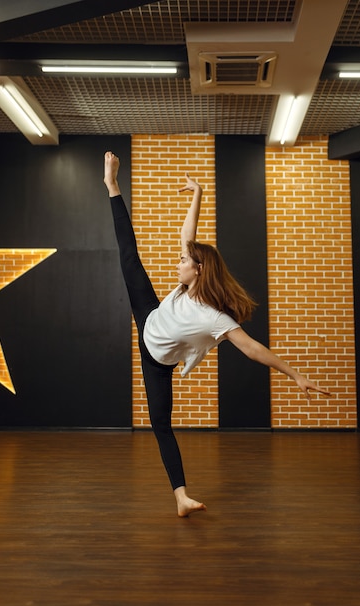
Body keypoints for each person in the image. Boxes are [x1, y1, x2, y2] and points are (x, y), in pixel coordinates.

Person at [103, 151, 330, 517]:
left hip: (156, 361)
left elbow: (252, 348)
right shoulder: (187, 285)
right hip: (150, 316)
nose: (178, 262)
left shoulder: (214, 317)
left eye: (183, 261)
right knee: (129, 257)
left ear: (198, 269)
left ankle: (181, 498)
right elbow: (187, 234)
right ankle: (111, 187)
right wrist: (198, 193)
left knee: (161, 425)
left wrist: (295, 375)